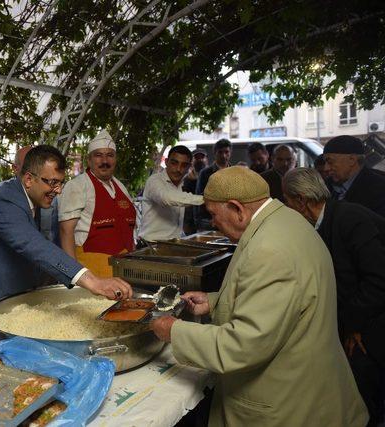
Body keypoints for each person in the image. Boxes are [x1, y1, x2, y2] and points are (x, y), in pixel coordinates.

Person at [150, 166, 368, 426]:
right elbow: (278, 300)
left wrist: (172, 330)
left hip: (287, 403)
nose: (213, 223)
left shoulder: (270, 250)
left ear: (237, 209)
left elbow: (243, 346)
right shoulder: (285, 219)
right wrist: (215, 301)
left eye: (213, 214)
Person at [0, 145, 133, 353]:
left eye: (60, 183)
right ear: (29, 179)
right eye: (52, 183)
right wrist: (94, 281)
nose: (58, 190)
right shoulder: (4, 200)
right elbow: (34, 246)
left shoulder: (31, 200)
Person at [283, 167, 385, 426]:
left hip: (373, 322)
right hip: (358, 317)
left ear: (301, 200)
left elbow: (377, 280)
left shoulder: (350, 219)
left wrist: (354, 326)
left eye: (286, 200)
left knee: (365, 395)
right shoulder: (320, 223)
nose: (285, 208)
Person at [58, 130, 136, 277]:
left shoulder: (121, 188)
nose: (105, 161)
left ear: (115, 159)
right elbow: (65, 232)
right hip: (92, 271)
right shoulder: (77, 186)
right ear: (89, 160)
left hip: (124, 271)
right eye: (98, 155)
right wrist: (73, 275)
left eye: (110, 155)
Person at [0, 145, 60, 245]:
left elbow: (53, 235)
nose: (35, 171)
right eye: (28, 166)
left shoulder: (51, 197)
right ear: (15, 169)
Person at [139, 145, 204, 241]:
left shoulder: (184, 184)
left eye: (184, 165)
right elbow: (167, 198)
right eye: (174, 163)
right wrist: (204, 199)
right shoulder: (154, 180)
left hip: (173, 244)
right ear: (166, 162)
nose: (178, 169)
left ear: (189, 167)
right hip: (150, 245)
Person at [323, 135, 385, 217]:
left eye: (330, 162)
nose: (326, 168)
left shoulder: (379, 189)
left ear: (352, 160)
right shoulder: (326, 187)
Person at [194, 138, 231, 231]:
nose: (224, 155)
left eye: (226, 152)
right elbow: (199, 198)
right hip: (209, 222)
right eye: (220, 152)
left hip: (230, 221)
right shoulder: (205, 173)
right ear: (215, 153)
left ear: (230, 153)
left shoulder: (235, 172)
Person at [183, 148, 208, 235]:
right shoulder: (186, 179)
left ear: (206, 159)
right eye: (197, 158)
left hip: (208, 221)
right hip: (190, 223)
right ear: (191, 161)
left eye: (202, 157)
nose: (200, 160)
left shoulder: (212, 177)